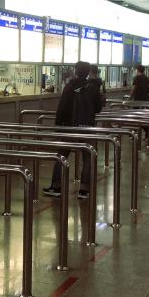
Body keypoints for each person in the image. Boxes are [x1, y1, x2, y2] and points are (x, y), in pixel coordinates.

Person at [43, 61, 97, 199]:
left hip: (70, 126)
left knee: (61, 155)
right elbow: (98, 108)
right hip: (88, 126)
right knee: (87, 158)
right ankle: (84, 190)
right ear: (87, 72)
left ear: (76, 71)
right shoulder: (92, 87)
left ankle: (56, 187)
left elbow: (62, 107)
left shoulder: (70, 86)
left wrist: (58, 124)